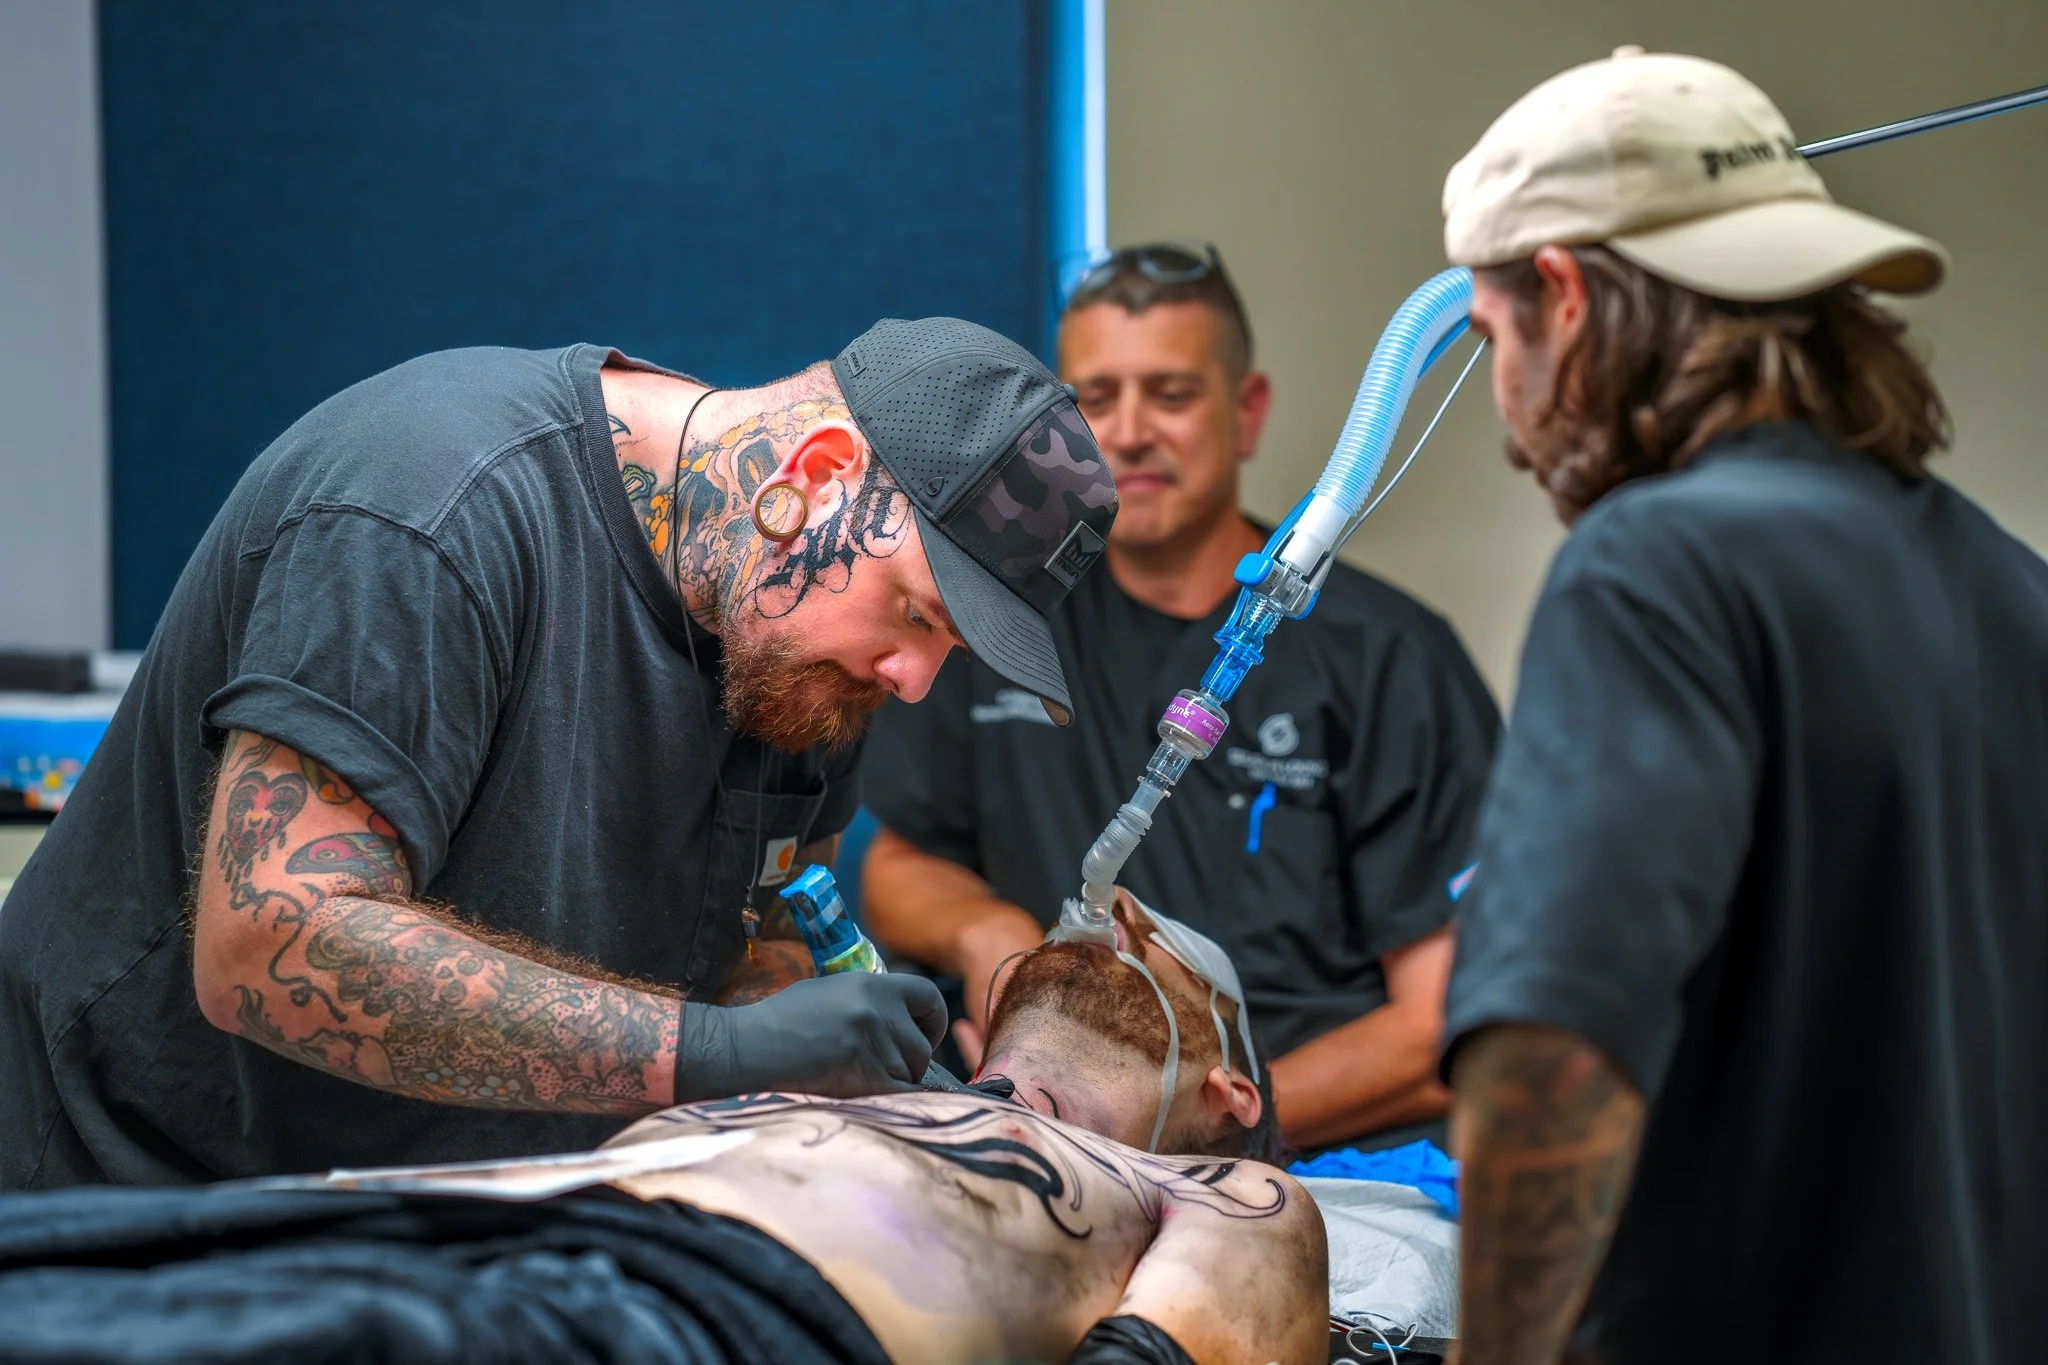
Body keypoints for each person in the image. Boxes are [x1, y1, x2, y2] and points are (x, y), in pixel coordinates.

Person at [0, 318, 1121, 1190]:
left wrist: (854, 1060)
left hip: (451, 1228)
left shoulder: (801, 661)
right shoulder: (431, 509)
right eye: (918, 615)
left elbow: (754, 944)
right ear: (815, 478)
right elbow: (274, 946)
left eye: (952, 654)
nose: (914, 680)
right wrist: (723, 1054)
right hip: (133, 1198)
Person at [1434, 47, 2047, 1365]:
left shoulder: (1653, 569)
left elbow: (1554, 1055)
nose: (1505, 418)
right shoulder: (2012, 589)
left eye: (1491, 342)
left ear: (1567, 296)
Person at [0, 892, 1329, 1365]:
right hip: (372, 1219)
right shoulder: (848, 1071)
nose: (1117, 923)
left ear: (1231, 1093)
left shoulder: (1212, 1182)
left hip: (674, 1317)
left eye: (1167, 953)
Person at [860, 241, 1502, 1156]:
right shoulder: (1004, 628)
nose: (1129, 432)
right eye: (1096, 398)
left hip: (1312, 1167)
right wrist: (985, 936)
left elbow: (1437, 1021)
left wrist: (1167, 1126)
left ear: (1247, 413)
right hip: (1045, 1145)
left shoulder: (1389, 659)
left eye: (1171, 393)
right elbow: (900, 863)